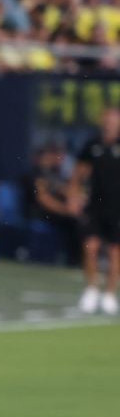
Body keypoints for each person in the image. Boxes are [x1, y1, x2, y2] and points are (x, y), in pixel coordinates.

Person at [74, 106, 120, 315]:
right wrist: (74, 196)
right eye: (108, 119)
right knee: (90, 247)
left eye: (114, 119)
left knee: (114, 252)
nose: (110, 123)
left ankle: (110, 294)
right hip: (95, 206)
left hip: (117, 208)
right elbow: (78, 174)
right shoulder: (92, 145)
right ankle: (91, 289)